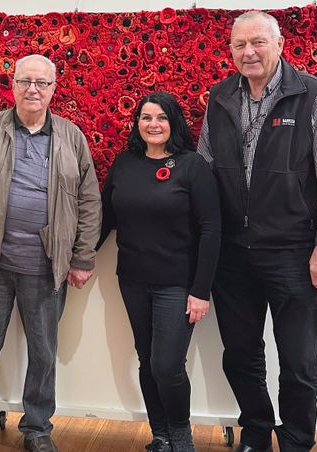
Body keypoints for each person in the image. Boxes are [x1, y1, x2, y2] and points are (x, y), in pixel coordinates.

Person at [197, 11, 317, 452]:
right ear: (230, 51)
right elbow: (206, 164)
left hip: (294, 252)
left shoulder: (312, 94)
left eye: (258, 42)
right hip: (232, 253)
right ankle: (257, 432)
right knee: (241, 355)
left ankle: (298, 441)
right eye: (240, 45)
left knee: (299, 362)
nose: (249, 52)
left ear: (280, 44)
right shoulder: (220, 96)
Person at [0, 54, 100, 452]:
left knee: (44, 353)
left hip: (47, 269)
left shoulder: (71, 136)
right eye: (25, 81)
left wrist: (83, 257)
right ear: (13, 85)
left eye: (42, 83)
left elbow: (89, 200)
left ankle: (37, 429)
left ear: (53, 89)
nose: (33, 89)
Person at [98, 92, 220, 452]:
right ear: (137, 123)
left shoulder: (192, 166)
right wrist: (79, 257)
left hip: (178, 284)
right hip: (133, 280)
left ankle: (181, 435)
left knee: (167, 365)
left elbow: (212, 229)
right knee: (148, 360)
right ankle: (160, 434)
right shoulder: (124, 163)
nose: (153, 124)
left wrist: (201, 290)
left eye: (161, 117)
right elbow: (105, 219)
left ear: (174, 123)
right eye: (146, 117)